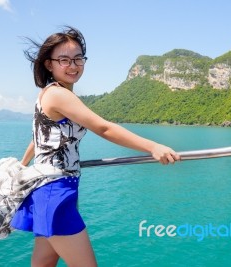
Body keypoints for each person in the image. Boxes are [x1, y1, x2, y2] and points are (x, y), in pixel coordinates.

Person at [10, 26, 180, 267]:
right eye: (64, 60)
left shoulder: (49, 94)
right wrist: (152, 146)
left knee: (43, 264)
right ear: (49, 64)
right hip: (54, 192)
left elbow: (39, 138)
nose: (73, 65)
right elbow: (104, 128)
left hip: (47, 190)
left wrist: (24, 164)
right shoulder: (59, 95)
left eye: (78, 58)